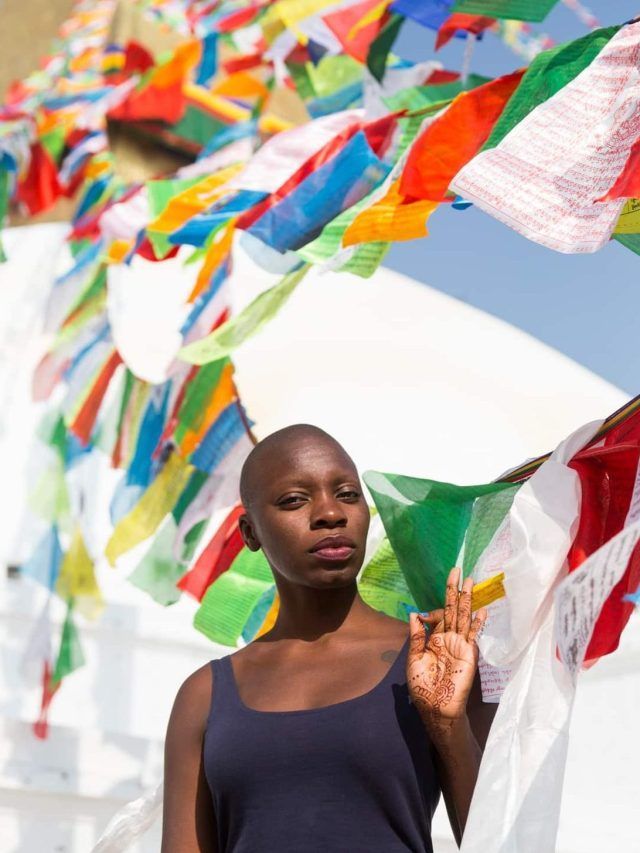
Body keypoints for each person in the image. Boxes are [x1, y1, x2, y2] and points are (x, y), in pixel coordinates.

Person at [161, 424, 494, 852]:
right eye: (294, 500)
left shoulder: (436, 660)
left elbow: (496, 839)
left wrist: (448, 726)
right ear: (250, 533)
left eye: (347, 494)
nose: (330, 513)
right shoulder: (204, 696)